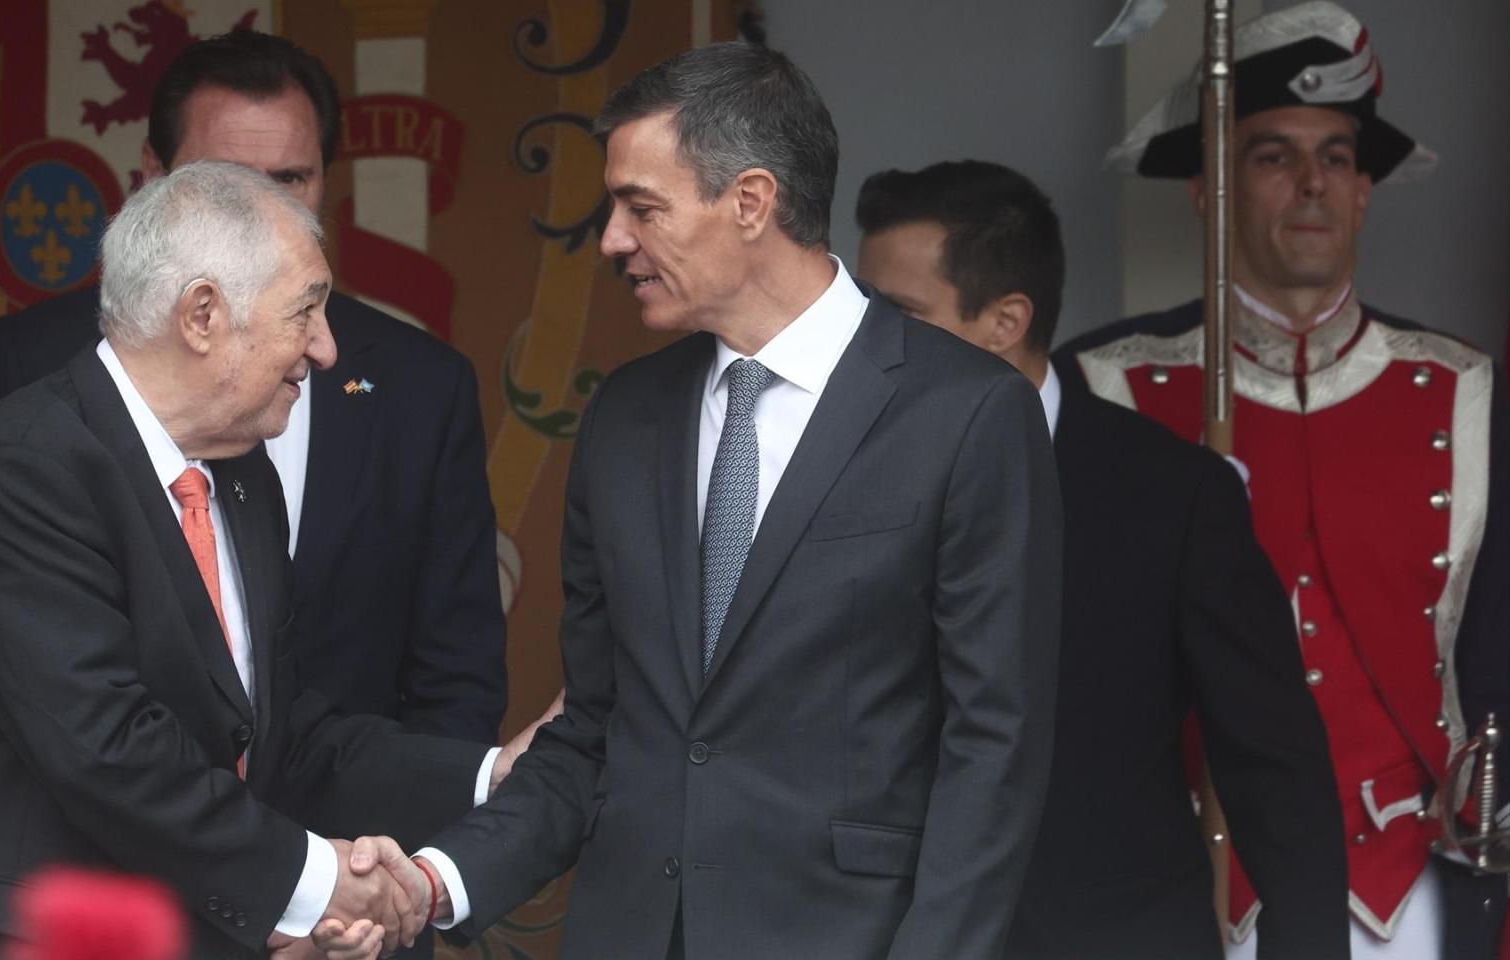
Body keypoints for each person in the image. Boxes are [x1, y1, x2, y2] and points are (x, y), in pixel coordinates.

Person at [327, 41, 1063, 960]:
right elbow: (594, 728)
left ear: (750, 202)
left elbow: (994, 750)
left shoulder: (966, 413)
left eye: (643, 207)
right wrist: (435, 882)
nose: (612, 241)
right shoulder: (626, 415)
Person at [0, 162, 493, 959]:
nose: (325, 349)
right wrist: (322, 879)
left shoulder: (242, 476)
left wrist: (489, 776)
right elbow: (110, 749)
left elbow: (278, 734)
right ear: (203, 316)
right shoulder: (27, 464)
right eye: (306, 311)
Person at [1055, 4, 1509, 957]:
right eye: (1272, 156)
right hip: (1186, 888)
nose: (1311, 185)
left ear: (1364, 190)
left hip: (1412, 885)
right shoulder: (1107, 383)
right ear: (1207, 188)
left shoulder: (1464, 386)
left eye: (1336, 157)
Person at [856, 159, 1349, 959]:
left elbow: (1273, 761)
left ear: (1005, 319)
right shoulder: (830, 480)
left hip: (1116, 937)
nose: (861, 343)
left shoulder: (1175, 495)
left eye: (897, 312)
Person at [0, 31, 508, 747]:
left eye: (289, 181)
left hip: (348, 834)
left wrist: (415, 835)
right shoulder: (34, 366)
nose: (260, 214)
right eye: (224, 183)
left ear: (325, 181)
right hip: (94, 837)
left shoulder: (421, 384)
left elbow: (453, 680)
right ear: (152, 177)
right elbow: (25, 674)